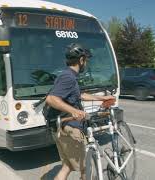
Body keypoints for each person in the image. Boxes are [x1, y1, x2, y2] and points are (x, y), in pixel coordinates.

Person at [46, 43, 115, 180]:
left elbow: (79, 95)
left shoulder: (69, 76)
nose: (86, 64)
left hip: (62, 127)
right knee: (86, 169)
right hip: (70, 128)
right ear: (81, 60)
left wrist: (102, 98)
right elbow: (51, 99)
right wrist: (74, 111)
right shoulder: (68, 77)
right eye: (86, 60)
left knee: (67, 166)